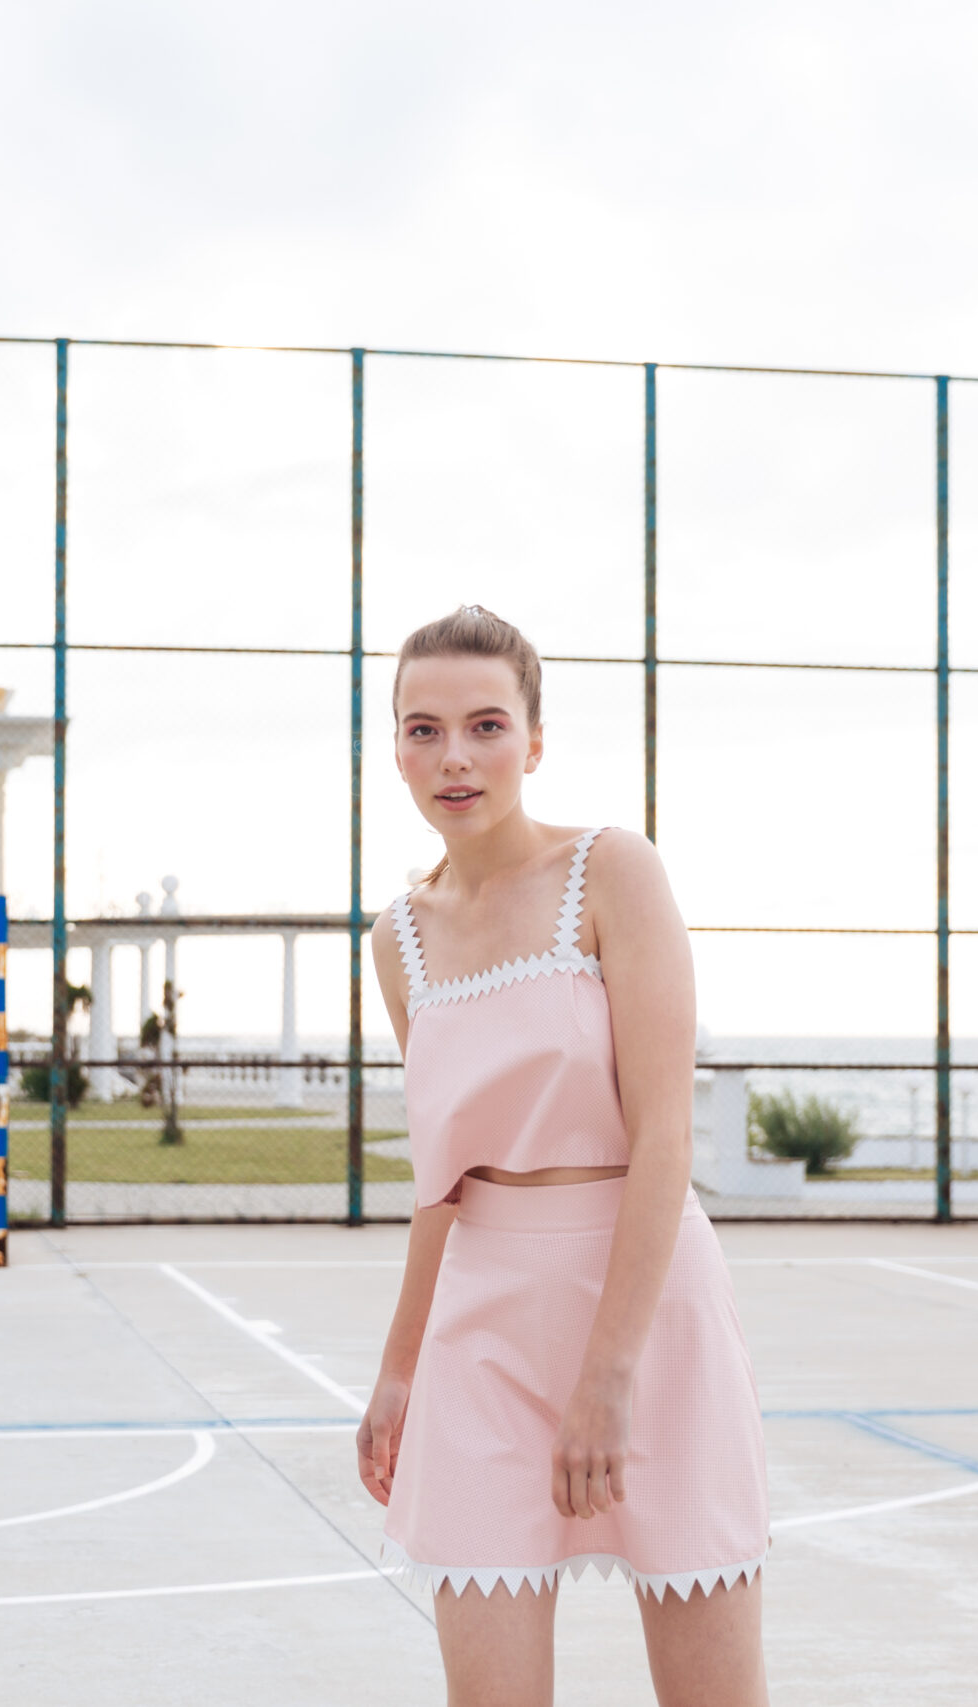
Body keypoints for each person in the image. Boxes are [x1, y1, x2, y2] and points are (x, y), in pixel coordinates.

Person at [357, 605, 770, 1706]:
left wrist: (607, 1371)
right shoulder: (396, 940)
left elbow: (665, 1138)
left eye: (486, 725)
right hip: (482, 1324)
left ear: (533, 742)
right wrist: (399, 1371)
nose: (454, 757)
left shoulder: (614, 874)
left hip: (647, 1314)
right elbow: (440, 1185)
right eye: (422, 728)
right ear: (393, 745)